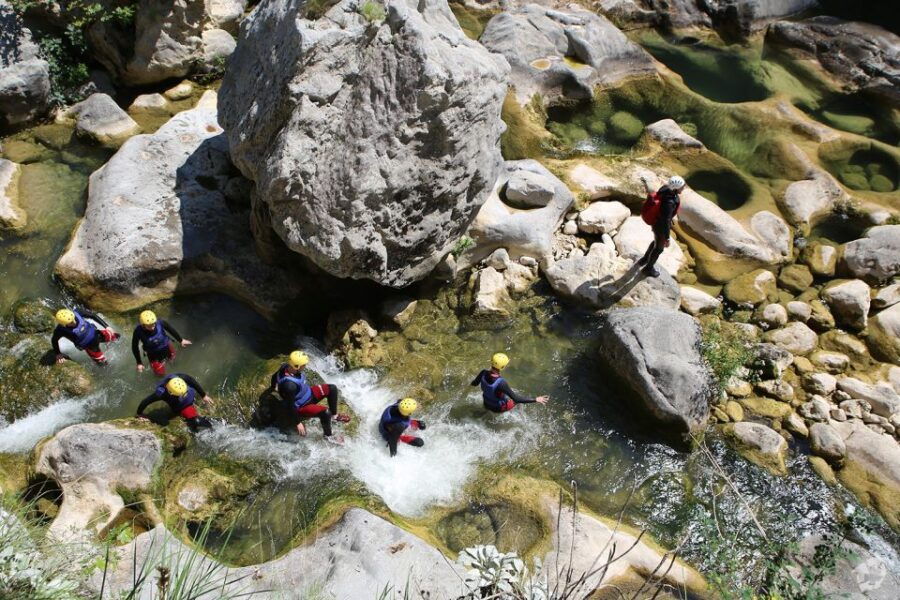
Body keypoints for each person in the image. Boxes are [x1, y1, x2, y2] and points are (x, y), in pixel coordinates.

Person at [269, 350, 349, 443]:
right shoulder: (289, 386)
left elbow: (274, 377)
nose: (305, 366)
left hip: (309, 393)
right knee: (325, 412)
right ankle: (328, 437)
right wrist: (298, 423)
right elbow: (291, 406)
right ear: (296, 366)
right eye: (303, 365)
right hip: (302, 406)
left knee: (332, 388)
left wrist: (273, 386)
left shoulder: (286, 367)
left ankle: (334, 416)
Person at [638, 175, 686, 277]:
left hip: (656, 222)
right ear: (676, 188)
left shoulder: (665, 189)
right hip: (660, 225)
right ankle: (648, 268)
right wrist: (667, 238)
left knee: (656, 241)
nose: (683, 188)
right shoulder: (669, 202)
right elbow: (666, 220)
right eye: (682, 186)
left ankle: (645, 259)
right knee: (659, 248)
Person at [471, 353, 549, 413]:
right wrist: (536, 399)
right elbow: (516, 399)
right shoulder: (501, 383)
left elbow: (474, 383)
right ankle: (520, 414)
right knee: (518, 399)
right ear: (503, 367)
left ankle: (483, 413)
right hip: (498, 409)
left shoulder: (483, 373)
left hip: (486, 404)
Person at [136, 374, 213, 432]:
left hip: (187, 392)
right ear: (170, 392)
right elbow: (145, 401)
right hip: (177, 403)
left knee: (193, 415)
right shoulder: (161, 393)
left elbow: (192, 381)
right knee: (189, 417)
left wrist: (204, 395)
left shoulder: (180, 377)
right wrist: (140, 414)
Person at [51, 308, 120, 366]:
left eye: (73, 319)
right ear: (63, 324)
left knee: (117, 337)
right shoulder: (60, 330)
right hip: (90, 348)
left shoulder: (77, 312)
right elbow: (54, 340)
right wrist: (58, 353)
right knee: (104, 364)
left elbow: (93, 315)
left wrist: (107, 326)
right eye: (70, 323)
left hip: (97, 335)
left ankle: (112, 342)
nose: (74, 322)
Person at [131, 310, 192, 376]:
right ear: (143, 325)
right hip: (153, 355)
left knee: (174, 363)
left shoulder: (160, 322)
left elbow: (171, 329)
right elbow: (134, 347)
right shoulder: (138, 332)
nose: (152, 327)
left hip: (167, 348)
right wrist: (139, 362)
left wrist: (181, 340)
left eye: (153, 324)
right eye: (149, 326)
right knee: (160, 374)